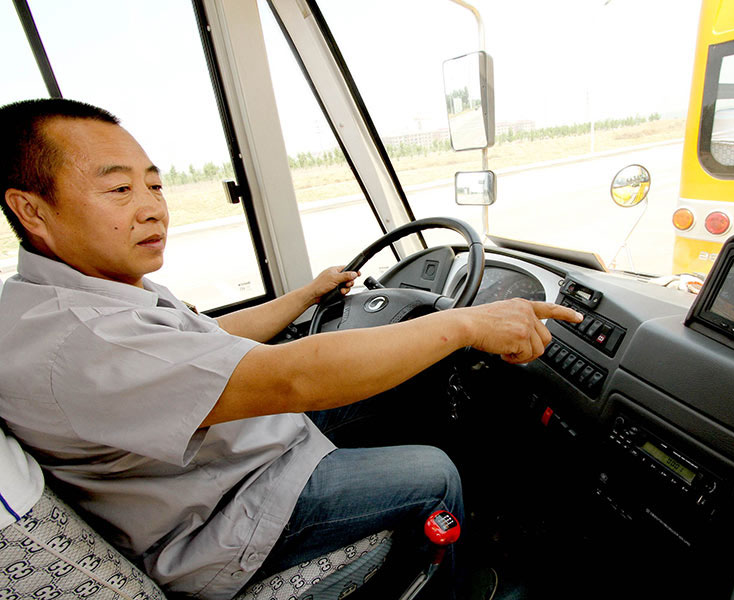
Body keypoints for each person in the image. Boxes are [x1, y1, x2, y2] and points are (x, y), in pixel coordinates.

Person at [0, 98, 581, 599]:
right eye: (119, 189)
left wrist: (307, 294)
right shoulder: (79, 339)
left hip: (225, 463)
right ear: (32, 210)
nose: (152, 206)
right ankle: (449, 586)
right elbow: (291, 382)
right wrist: (464, 326)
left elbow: (211, 340)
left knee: (404, 381)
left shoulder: (78, 293)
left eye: (153, 184)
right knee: (432, 471)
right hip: (224, 520)